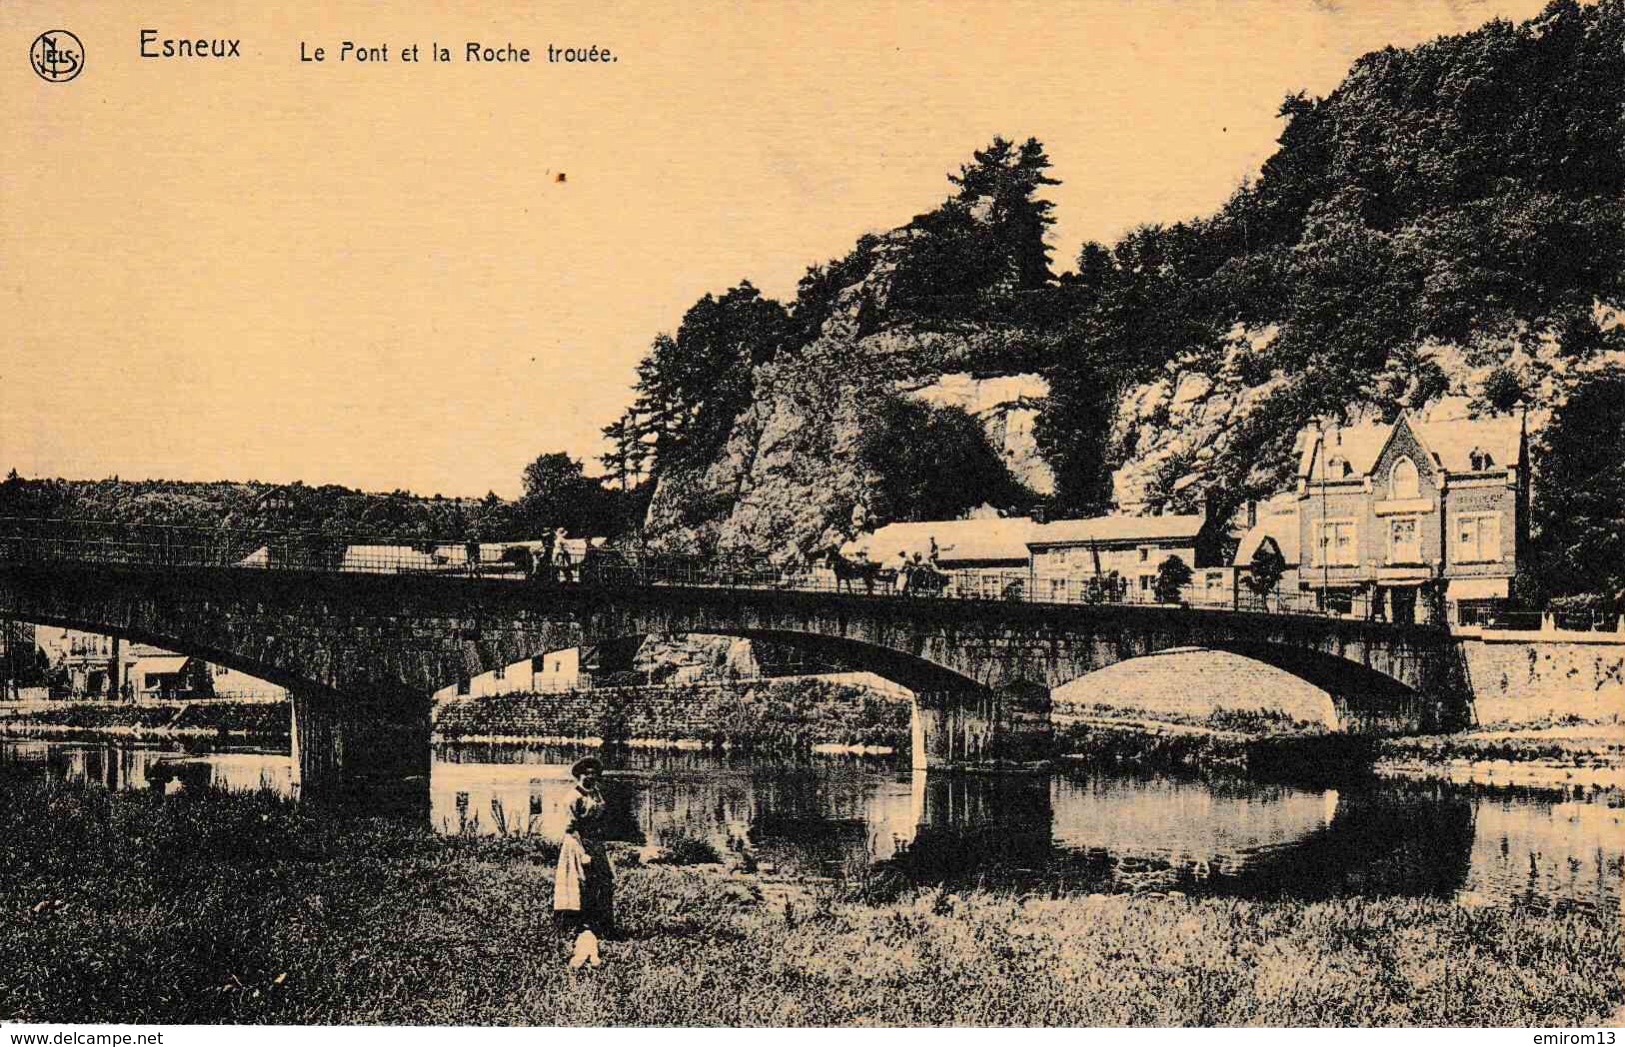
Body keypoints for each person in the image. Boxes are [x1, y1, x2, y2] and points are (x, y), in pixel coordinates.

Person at [554, 756, 614, 968]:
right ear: (579, 774)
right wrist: (582, 852)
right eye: (586, 772)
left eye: (594, 772)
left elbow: (600, 817)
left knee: (604, 880)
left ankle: (602, 923)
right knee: (579, 882)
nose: (590, 776)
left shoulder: (596, 793)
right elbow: (571, 828)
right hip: (577, 844)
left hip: (595, 842)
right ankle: (577, 923)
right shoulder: (572, 798)